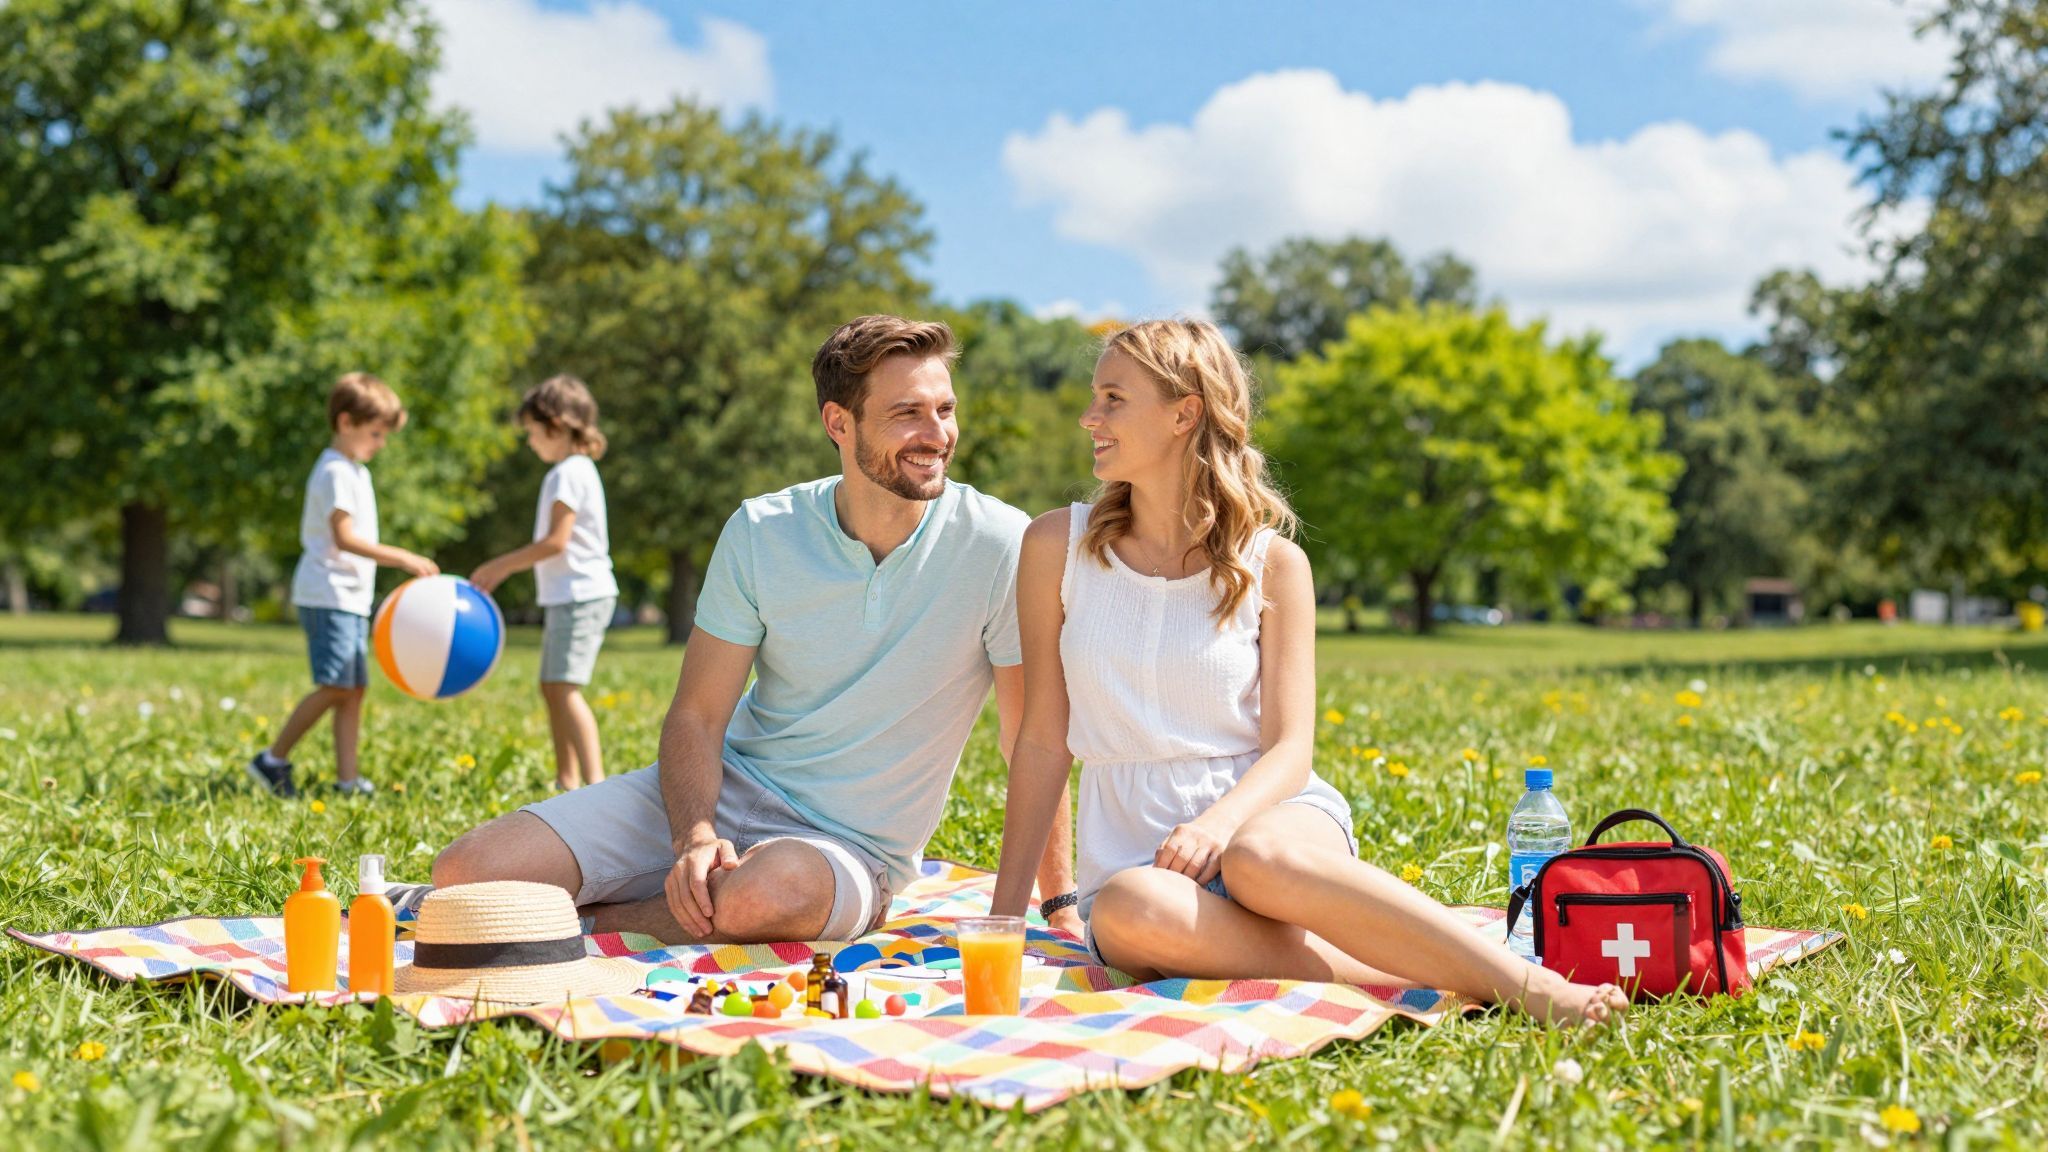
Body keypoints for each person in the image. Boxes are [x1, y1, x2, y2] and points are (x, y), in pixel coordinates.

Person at [987, 320, 1626, 1026]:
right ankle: (1425, 970)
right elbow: (1042, 741)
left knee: (1257, 857)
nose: (1090, 416)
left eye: (1113, 398)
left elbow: (1290, 749)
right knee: (1130, 910)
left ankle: (1527, 985)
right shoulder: (1057, 545)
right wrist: (1005, 921)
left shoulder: (1273, 564)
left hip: (1270, 821)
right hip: (1142, 858)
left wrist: (1218, 826)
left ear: (1184, 414)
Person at [429, 316, 1082, 943]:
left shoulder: (1001, 544)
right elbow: (698, 714)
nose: (936, 434)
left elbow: (1031, 738)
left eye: (945, 409)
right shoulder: (762, 530)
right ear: (839, 423)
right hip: (725, 789)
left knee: (762, 897)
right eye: (907, 412)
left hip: (846, 849)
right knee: (466, 872)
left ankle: (589, 923)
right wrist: (695, 836)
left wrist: (1057, 905)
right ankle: (650, 900)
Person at [248, 372, 437, 799]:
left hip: (350, 597)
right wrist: (402, 557)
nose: (381, 444)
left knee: (353, 691)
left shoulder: (355, 471)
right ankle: (271, 759)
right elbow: (344, 538)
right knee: (336, 685)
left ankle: (348, 781)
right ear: (346, 422)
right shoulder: (334, 471)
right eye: (375, 433)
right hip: (328, 593)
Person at [470, 375, 619, 792]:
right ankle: (566, 780)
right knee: (553, 687)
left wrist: (501, 566)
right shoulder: (575, 470)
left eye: (533, 433)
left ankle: (595, 786)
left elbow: (556, 541)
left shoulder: (567, 473)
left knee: (564, 688)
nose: (530, 442)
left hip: (581, 593)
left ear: (556, 426)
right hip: (570, 595)